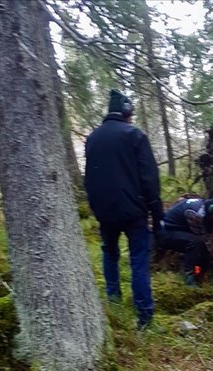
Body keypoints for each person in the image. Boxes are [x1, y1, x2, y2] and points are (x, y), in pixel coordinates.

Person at [85, 89, 163, 329]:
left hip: (105, 212)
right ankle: (145, 317)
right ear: (127, 112)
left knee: (110, 253)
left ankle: (114, 303)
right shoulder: (135, 135)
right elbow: (149, 178)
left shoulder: (93, 138)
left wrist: (95, 207)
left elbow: (88, 178)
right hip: (134, 211)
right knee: (138, 260)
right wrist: (157, 213)